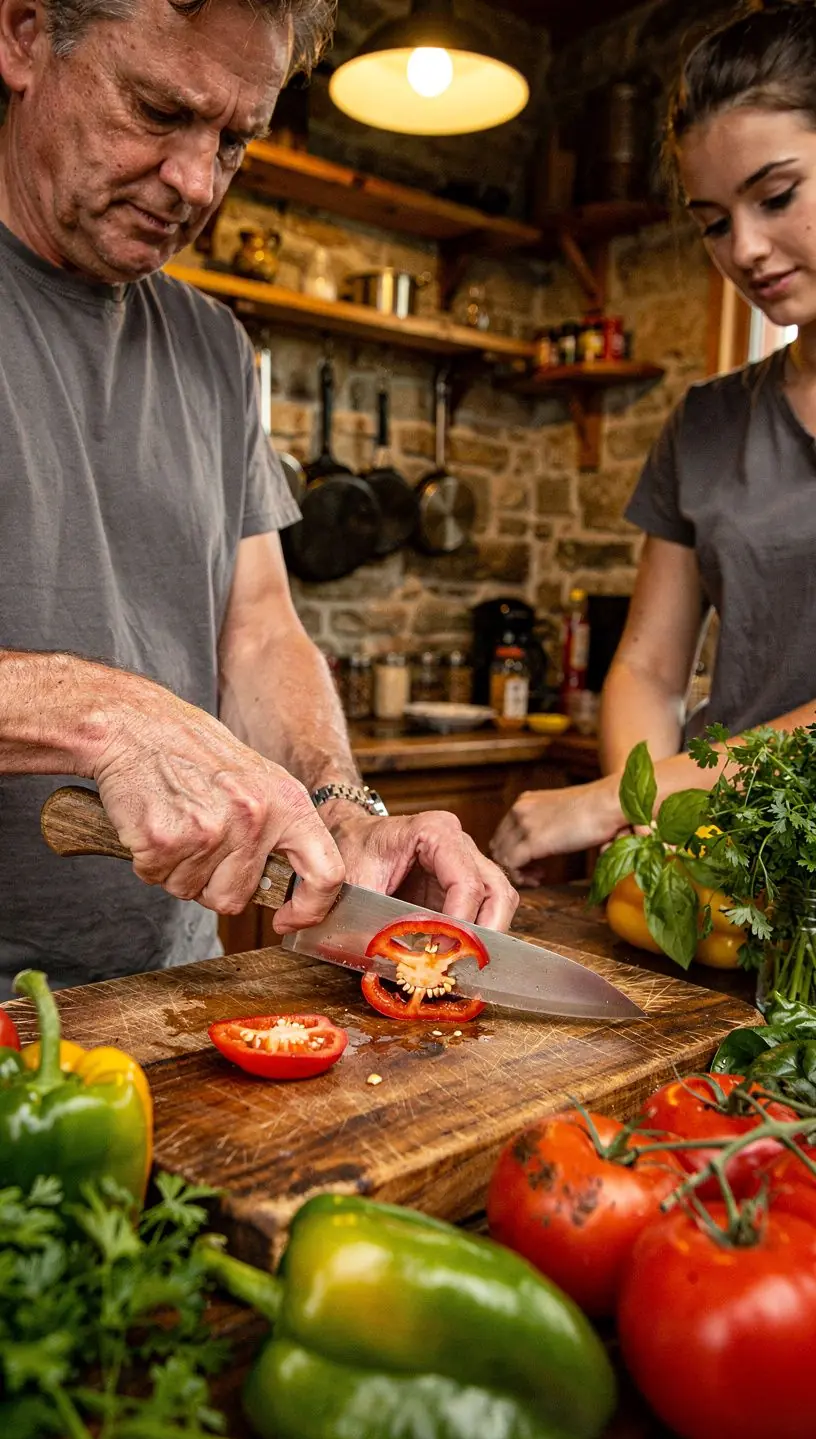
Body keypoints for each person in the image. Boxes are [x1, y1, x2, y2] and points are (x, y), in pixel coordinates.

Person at [0, 0, 517, 996]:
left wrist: (340, 805)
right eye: (159, 111)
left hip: (167, 996)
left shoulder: (215, 348)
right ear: (24, 35)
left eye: (234, 141)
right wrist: (104, 713)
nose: (198, 183)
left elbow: (260, 631)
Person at [491, 0, 816, 881]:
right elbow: (647, 665)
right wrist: (650, 835)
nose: (745, 250)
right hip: (717, 870)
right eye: (713, 221)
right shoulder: (705, 425)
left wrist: (618, 802)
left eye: (776, 197)